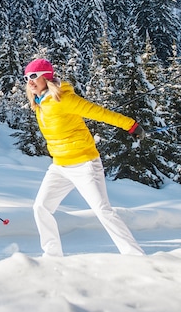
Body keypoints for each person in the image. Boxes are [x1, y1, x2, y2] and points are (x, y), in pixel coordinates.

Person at [24, 58, 146, 257]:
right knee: (41, 207)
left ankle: (134, 255)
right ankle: (52, 255)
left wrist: (130, 125)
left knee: (102, 210)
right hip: (60, 166)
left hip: (84, 164)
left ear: (46, 78)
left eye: (34, 76)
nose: (30, 81)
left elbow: (99, 113)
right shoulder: (40, 103)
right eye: (27, 77)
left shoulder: (63, 99)